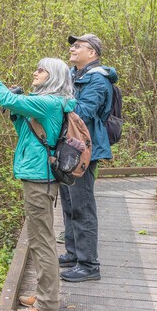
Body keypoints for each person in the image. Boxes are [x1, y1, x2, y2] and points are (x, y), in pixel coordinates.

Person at [0, 54, 76, 311]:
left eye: (41, 70)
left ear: (54, 77)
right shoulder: (48, 104)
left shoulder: (49, 102)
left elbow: (6, 99)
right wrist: (17, 113)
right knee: (40, 239)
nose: (35, 73)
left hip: (40, 179)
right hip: (38, 176)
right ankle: (43, 294)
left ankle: (48, 305)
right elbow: (26, 132)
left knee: (42, 242)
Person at [58, 34, 118, 282]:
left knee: (82, 206)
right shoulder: (74, 75)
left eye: (78, 46)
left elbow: (82, 113)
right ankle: (73, 253)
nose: (72, 48)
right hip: (68, 148)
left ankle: (89, 264)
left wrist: (58, 99)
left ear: (92, 53)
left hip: (84, 151)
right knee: (69, 204)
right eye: (72, 45)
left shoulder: (97, 80)